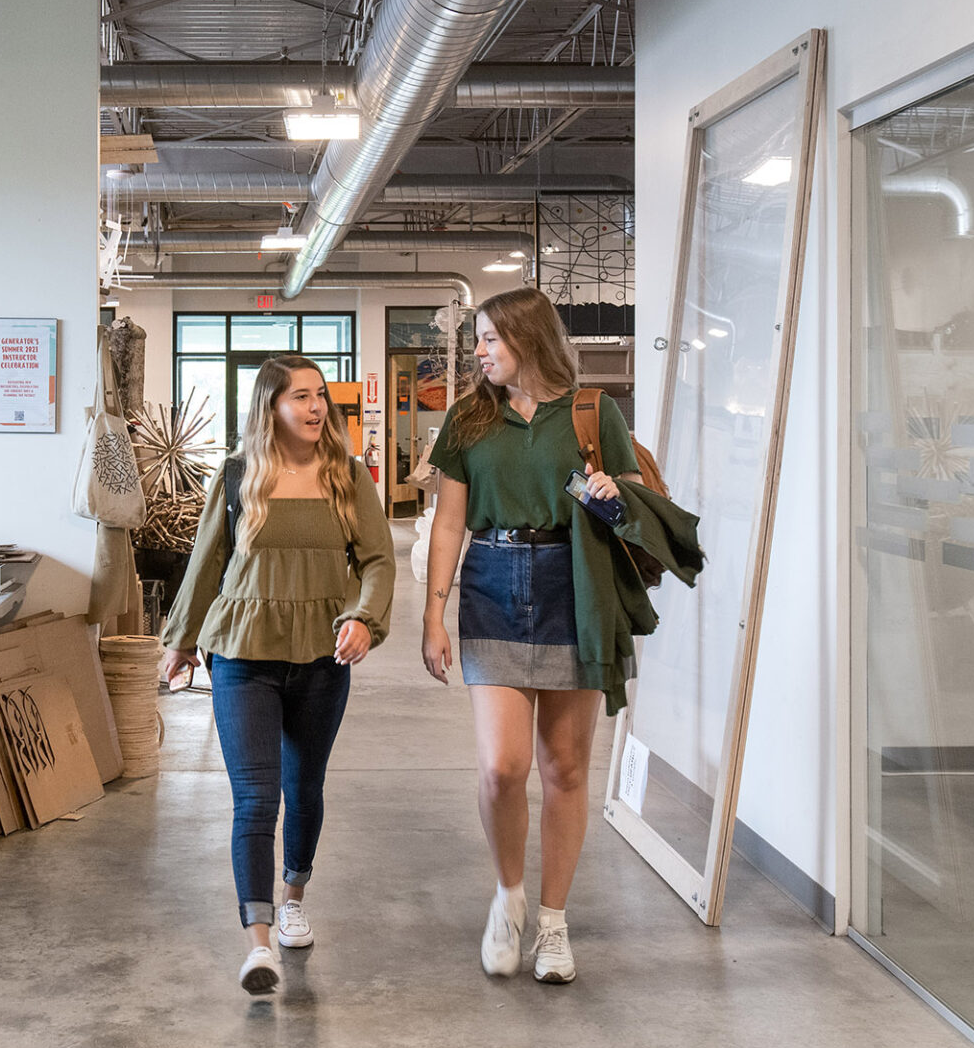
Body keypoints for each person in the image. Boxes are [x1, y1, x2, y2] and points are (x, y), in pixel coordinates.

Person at [421, 288, 660, 985]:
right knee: (502, 768)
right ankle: (509, 896)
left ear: (529, 338)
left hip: (573, 588)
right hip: (493, 584)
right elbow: (447, 523)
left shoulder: (593, 414)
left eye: (492, 338)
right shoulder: (468, 419)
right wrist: (434, 612)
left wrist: (615, 498)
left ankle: (554, 924)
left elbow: (627, 503)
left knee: (565, 769)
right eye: (480, 340)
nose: (481, 351)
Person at [159, 356, 393, 996]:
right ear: (270, 407)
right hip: (244, 653)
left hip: (323, 656)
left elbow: (377, 561)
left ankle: (294, 892)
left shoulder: (347, 477)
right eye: (300, 397)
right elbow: (206, 562)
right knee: (257, 798)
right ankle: (257, 943)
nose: (316, 408)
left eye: (321, 396)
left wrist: (366, 619)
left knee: (304, 787)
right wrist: (180, 640)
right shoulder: (238, 476)